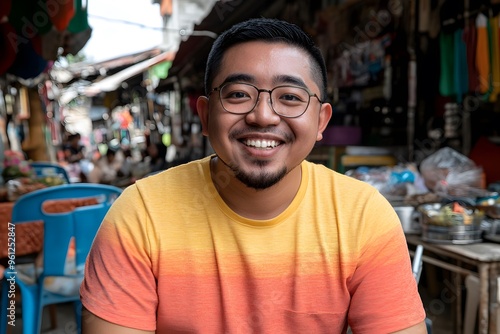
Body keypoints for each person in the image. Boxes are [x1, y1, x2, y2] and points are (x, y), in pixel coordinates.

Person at [80, 18, 426, 333]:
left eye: (290, 97)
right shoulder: (141, 214)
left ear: (321, 121)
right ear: (205, 114)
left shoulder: (363, 216)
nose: (263, 116)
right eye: (239, 95)